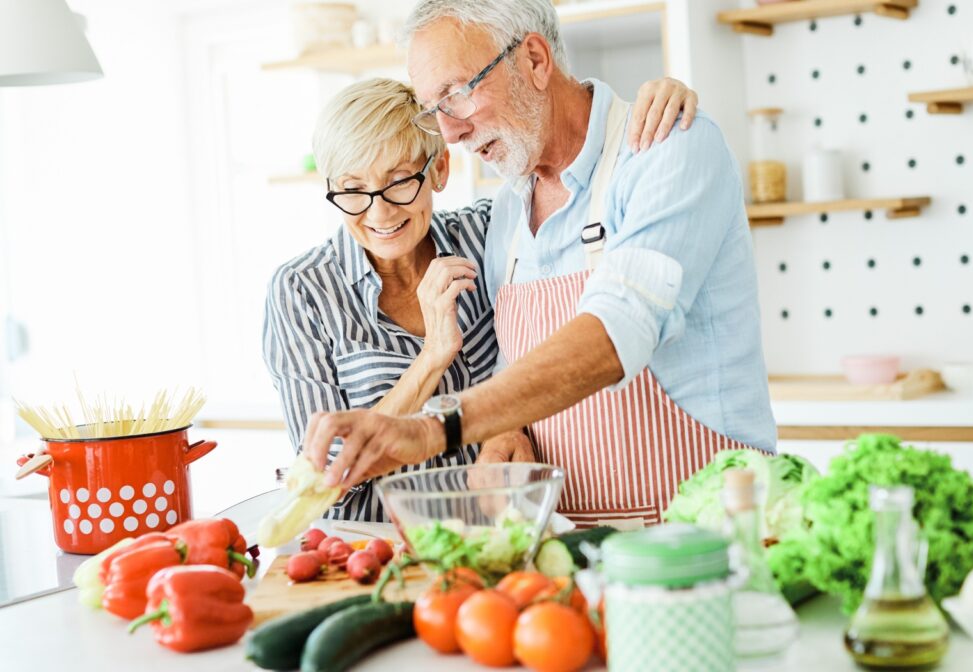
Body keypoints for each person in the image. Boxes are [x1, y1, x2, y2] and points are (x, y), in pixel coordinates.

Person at [301, 0, 778, 528]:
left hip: (705, 527)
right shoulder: (509, 207)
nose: (451, 133)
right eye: (432, 107)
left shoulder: (665, 150)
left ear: (533, 59)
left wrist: (441, 427)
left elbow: (617, 332)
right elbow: (518, 362)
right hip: (566, 544)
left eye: (456, 94)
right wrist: (510, 431)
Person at [263, 75, 698, 521]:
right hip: (371, 551)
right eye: (353, 190)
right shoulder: (302, 291)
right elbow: (321, 480)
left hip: (496, 541)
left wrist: (643, 108)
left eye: (398, 182)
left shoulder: (489, 230)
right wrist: (432, 355)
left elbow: (583, 184)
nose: (379, 212)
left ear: (438, 171)